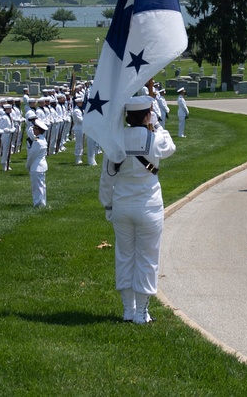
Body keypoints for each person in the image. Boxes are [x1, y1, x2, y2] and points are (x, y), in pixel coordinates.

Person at [99, 95, 176, 324]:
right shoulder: (155, 137)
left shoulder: (115, 139)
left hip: (122, 204)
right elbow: (170, 146)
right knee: (147, 257)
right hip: (148, 205)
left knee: (125, 256)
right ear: (147, 114)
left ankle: (128, 310)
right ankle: (142, 312)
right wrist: (158, 124)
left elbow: (106, 178)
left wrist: (108, 204)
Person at [27, 119, 49, 207]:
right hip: (41, 166)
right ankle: (42, 202)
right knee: (42, 186)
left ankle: (39, 203)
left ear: (38, 130)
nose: (33, 130)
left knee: (37, 187)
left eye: (35, 129)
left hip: (36, 166)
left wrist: (28, 165)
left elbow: (32, 156)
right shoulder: (42, 139)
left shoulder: (37, 142)